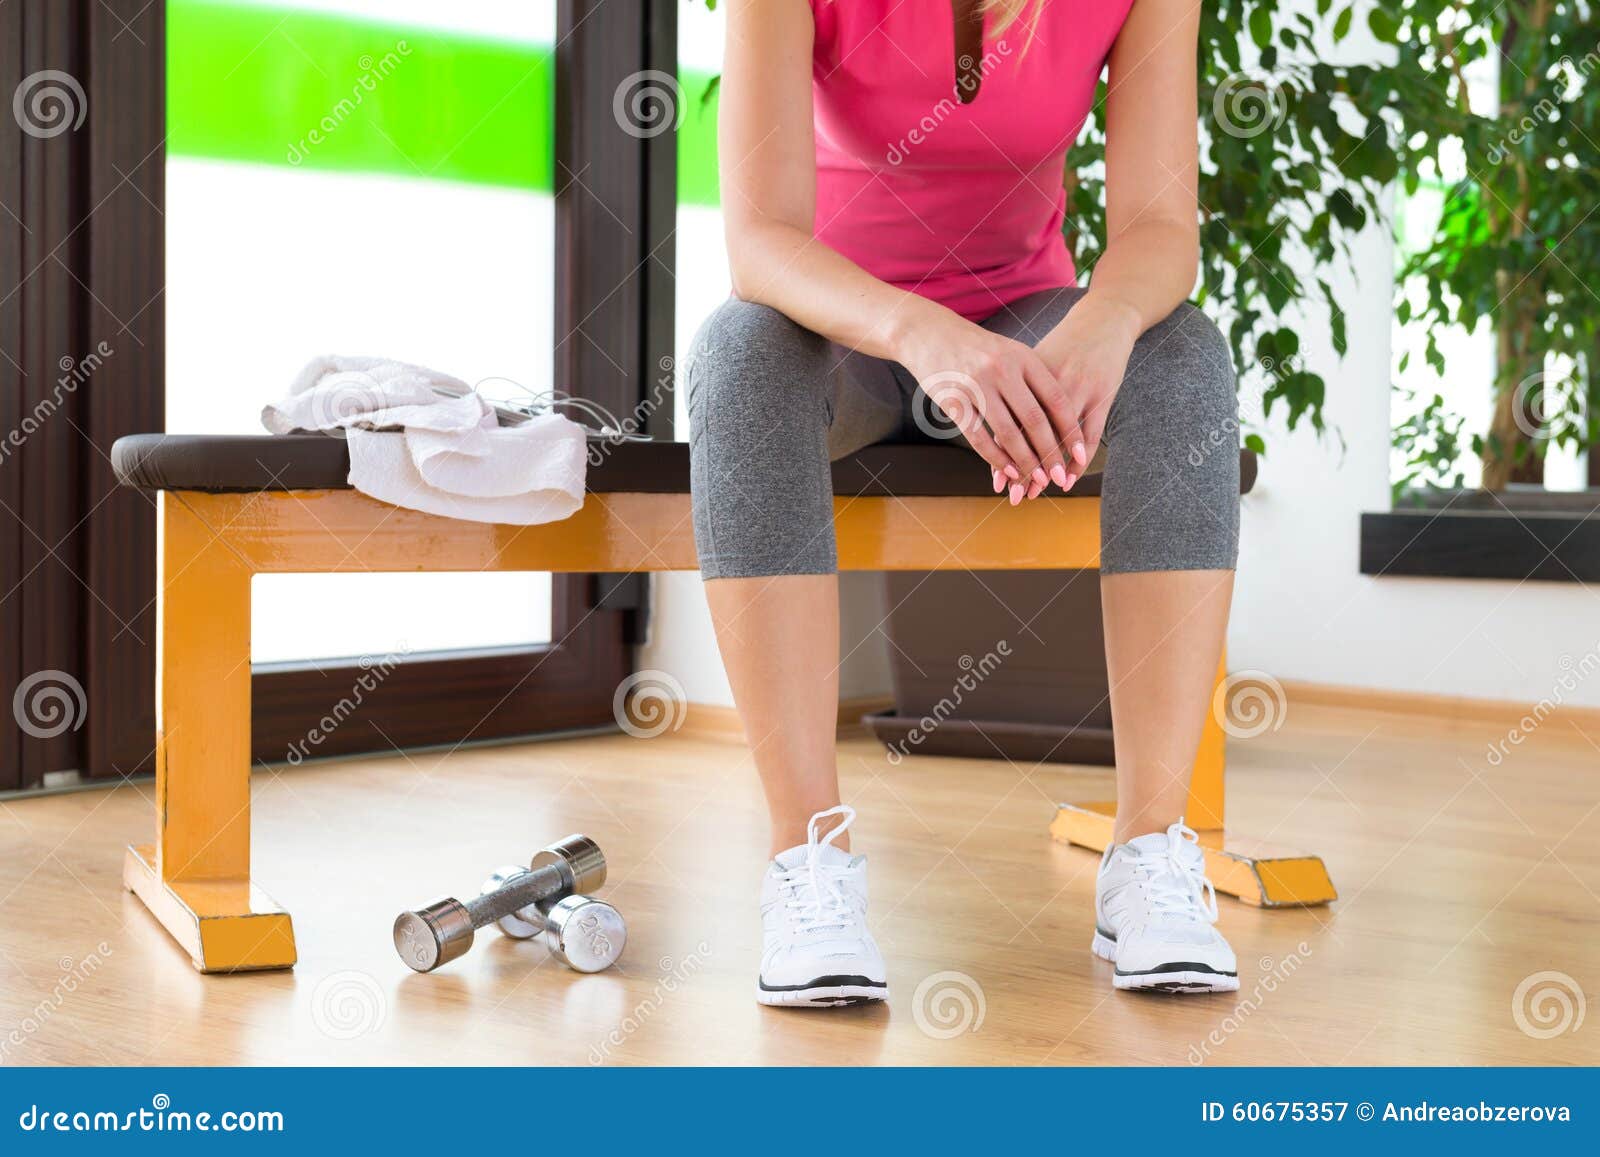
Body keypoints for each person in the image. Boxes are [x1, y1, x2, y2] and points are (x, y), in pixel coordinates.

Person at [688, 0, 1240, 1006]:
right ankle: (806, 858)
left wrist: (1104, 323)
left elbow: (1160, 228)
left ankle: (1151, 855)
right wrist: (921, 334)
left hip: (1023, 319)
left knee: (1183, 357)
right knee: (736, 355)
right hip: (845, 328)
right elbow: (760, 242)